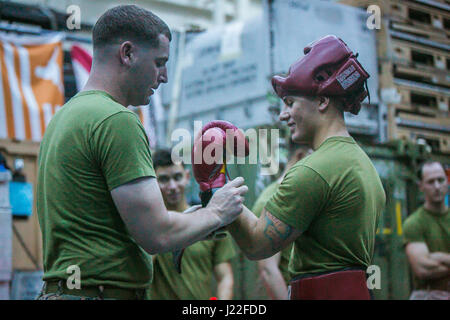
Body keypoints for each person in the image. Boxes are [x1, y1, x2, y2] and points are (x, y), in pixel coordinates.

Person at [36, 5, 247, 300]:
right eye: (160, 62)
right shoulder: (116, 120)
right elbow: (157, 235)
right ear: (128, 53)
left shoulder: (64, 118)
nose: (164, 77)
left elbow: (110, 224)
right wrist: (216, 212)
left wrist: (191, 220)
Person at [223, 35, 386, 299]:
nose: (282, 114)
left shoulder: (313, 170)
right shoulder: (363, 165)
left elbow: (256, 246)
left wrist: (217, 184)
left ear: (322, 102)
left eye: (290, 103)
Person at [147, 149, 236, 300]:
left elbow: (225, 278)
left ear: (187, 177)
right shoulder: (147, 227)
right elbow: (142, 270)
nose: (173, 186)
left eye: (177, 177)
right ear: (153, 183)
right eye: (163, 179)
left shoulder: (207, 220)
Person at [253, 145, 312, 300]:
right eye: (317, 159)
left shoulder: (300, 196)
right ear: (300, 156)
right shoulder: (272, 200)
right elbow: (268, 270)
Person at [403, 161, 449, 300]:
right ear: (421, 186)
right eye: (430, 182)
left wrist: (439, 257)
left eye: (440, 180)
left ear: (447, 181)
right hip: (429, 295)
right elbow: (423, 269)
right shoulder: (414, 223)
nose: (437, 186)